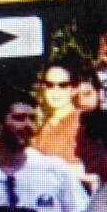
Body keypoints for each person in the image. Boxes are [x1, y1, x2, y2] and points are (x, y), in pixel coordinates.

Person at [33, 54, 93, 182]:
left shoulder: (85, 121)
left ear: (74, 89)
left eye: (63, 85)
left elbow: (97, 170)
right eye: (49, 85)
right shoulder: (44, 127)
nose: (55, 90)